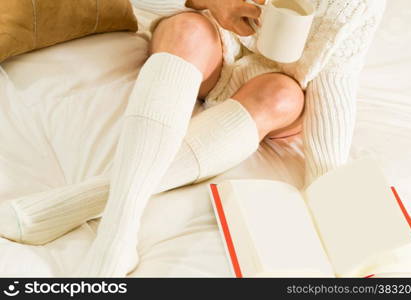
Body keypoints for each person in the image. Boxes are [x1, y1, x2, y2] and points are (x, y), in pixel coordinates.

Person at [0, 0, 386, 277]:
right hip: (210, 48)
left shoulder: (357, 7)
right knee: (187, 28)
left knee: (284, 94)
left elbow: (336, 80)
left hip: (276, 84)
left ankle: (79, 201)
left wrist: (329, 189)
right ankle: (120, 227)